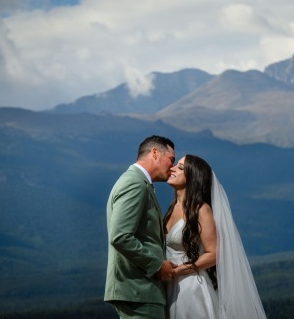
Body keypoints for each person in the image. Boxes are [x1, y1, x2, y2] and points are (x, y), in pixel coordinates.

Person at [164, 154, 267, 319]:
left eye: (180, 167)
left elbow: (214, 254)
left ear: (193, 177)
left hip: (190, 288)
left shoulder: (201, 210)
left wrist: (181, 269)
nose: (173, 168)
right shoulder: (171, 207)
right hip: (167, 284)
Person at [104, 135, 177, 319]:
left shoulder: (139, 183)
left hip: (140, 291)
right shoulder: (134, 183)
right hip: (139, 290)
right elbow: (120, 236)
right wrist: (157, 265)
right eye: (171, 159)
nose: (173, 167)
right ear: (154, 153)